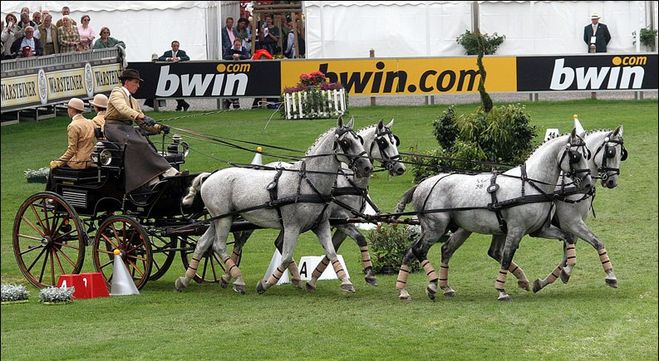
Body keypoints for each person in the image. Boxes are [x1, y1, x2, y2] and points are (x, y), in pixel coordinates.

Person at [104, 69, 177, 193]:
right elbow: (122, 109)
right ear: (126, 82)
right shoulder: (117, 92)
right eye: (136, 82)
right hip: (113, 128)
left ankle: (152, 178)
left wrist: (158, 127)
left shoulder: (133, 101)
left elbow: (143, 124)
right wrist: (141, 116)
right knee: (138, 143)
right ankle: (167, 171)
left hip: (127, 128)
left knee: (147, 144)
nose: (138, 86)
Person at [49, 98, 96, 170]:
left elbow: (72, 150)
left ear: (72, 109)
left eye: (68, 108)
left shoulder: (73, 126)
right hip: (91, 160)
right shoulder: (90, 122)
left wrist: (59, 162)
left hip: (79, 162)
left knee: (55, 171)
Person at [157, 40, 191, 111]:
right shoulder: (167, 53)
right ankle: (183, 105)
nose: (176, 47)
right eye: (174, 46)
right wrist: (169, 59)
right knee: (173, 89)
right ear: (171, 46)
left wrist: (178, 58)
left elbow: (187, 58)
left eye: (177, 46)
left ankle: (181, 106)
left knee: (178, 90)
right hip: (170, 74)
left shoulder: (182, 52)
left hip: (179, 73)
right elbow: (160, 58)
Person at [222, 38, 249, 109]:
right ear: (233, 44)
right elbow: (225, 57)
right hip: (230, 71)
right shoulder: (229, 49)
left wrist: (240, 56)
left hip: (241, 71)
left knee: (237, 86)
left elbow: (247, 57)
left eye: (239, 45)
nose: (237, 46)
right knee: (231, 86)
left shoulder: (243, 49)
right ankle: (233, 101)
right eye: (236, 45)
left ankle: (231, 101)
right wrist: (232, 57)